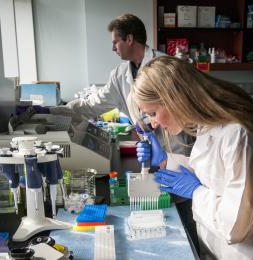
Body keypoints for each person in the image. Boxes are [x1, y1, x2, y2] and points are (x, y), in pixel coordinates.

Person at [50, 14, 199, 252]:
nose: (112, 47)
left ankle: (192, 246)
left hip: (179, 144)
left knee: (185, 203)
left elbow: (187, 111)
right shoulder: (120, 75)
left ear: (130, 39)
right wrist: (60, 111)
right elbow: (94, 103)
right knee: (158, 203)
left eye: (115, 41)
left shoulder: (168, 67)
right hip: (152, 150)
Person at [131, 56, 253, 259]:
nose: (153, 123)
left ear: (174, 98)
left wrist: (195, 192)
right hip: (215, 244)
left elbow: (236, 225)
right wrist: (165, 160)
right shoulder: (209, 125)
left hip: (243, 251)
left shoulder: (238, 134)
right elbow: (215, 174)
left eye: (153, 113)